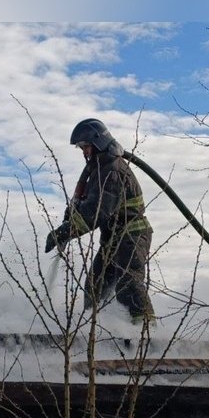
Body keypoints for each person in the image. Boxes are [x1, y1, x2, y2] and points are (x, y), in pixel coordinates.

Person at [44, 118, 155, 326]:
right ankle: (100, 335)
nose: (84, 152)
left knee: (129, 285)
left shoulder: (112, 170)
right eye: (82, 148)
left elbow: (96, 213)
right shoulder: (99, 169)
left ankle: (146, 340)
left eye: (85, 147)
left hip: (131, 236)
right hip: (113, 238)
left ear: (98, 143)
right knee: (96, 287)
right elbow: (85, 204)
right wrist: (69, 221)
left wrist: (66, 231)